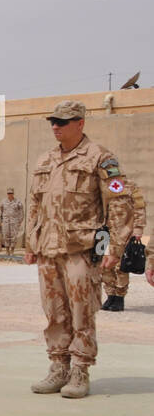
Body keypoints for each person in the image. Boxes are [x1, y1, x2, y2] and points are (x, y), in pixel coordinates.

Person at [24, 101, 134, 397]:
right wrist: (30, 243)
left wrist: (114, 246)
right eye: (53, 122)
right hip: (48, 249)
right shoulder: (45, 160)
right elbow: (35, 204)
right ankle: (58, 367)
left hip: (81, 249)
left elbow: (120, 202)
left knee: (82, 312)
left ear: (80, 123)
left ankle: (80, 370)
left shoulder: (100, 158)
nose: (56, 127)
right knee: (54, 313)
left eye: (63, 121)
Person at [100, 179, 144, 311]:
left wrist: (138, 228)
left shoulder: (129, 185)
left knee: (121, 265)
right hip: (103, 231)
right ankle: (110, 294)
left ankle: (119, 297)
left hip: (124, 231)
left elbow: (140, 206)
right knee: (103, 265)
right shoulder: (97, 185)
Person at [0, 187, 24, 256]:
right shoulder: (3, 202)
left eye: (11, 193)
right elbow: (0, 211)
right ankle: (7, 251)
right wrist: (0, 221)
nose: (10, 194)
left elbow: (21, 212)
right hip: (5, 222)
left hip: (14, 222)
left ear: (13, 193)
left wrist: (20, 221)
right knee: (5, 235)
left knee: (14, 236)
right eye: (8, 193)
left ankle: (12, 251)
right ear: (7, 194)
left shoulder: (18, 202)